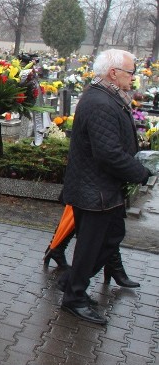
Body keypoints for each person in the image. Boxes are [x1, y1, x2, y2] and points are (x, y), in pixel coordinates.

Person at [58, 49, 150, 325]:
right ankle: (73, 297)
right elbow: (108, 153)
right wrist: (140, 172)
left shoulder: (107, 96)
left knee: (110, 237)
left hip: (101, 188)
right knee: (91, 245)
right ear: (113, 73)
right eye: (131, 72)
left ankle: (72, 283)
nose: (133, 77)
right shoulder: (100, 101)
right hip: (94, 189)